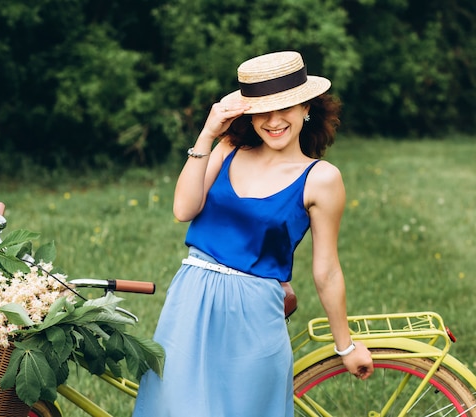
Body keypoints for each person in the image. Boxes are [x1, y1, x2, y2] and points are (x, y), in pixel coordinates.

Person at [133, 51, 374, 417]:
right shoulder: (230, 148)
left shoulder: (321, 178)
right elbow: (183, 209)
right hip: (191, 298)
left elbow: (327, 271)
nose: (274, 122)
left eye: (286, 109)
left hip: (254, 313)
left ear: (306, 107)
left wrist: (346, 346)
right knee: (174, 407)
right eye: (262, 110)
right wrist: (208, 133)